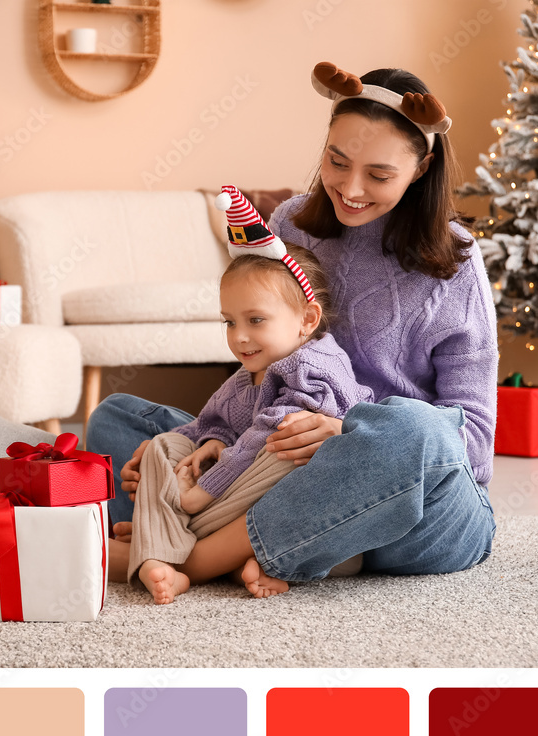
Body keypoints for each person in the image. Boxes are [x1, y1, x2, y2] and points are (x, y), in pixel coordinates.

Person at [89, 62, 497, 592]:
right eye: (337, 160)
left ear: (419, 170)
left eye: (378, 175)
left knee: (414, 430)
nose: (350, 189)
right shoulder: (290, 222)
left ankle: (188, 558)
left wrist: (348, 437)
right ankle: (273, 545)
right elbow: (263, 374)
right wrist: (206, 440)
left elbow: (474, 444)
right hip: (278, 463)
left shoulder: (455, 263)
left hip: (411, 505)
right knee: (119, 419)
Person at [117, 185, 373, 604]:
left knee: (285, 442)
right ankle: (202, 553)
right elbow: (211, 421)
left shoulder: (314, 364)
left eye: (255, 320)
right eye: (229, 322)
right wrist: (208, 444)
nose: (240, 337)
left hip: (314, 517)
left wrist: (202, 490)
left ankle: (160, 544)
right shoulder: (247, 376)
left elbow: (266, 436)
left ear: (307, 319)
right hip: (245, 515)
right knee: (163, 445)